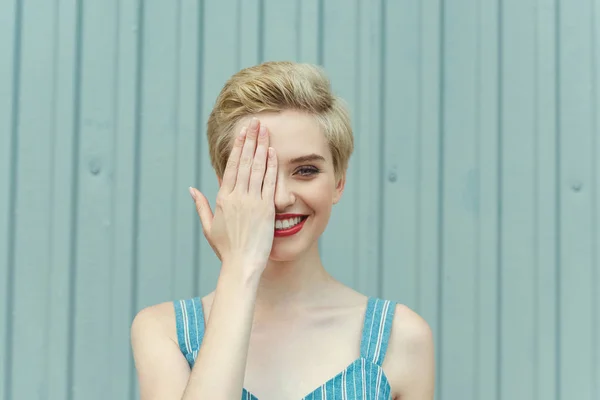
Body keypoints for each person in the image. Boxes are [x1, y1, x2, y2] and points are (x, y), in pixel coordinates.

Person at [130, 61, 435, 400]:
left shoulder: (401, 338)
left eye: (305, 170)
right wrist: (240, 267)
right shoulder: (165, 331)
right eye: (259, 173)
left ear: (338, 183)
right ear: (225, 187)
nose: (280, 198)